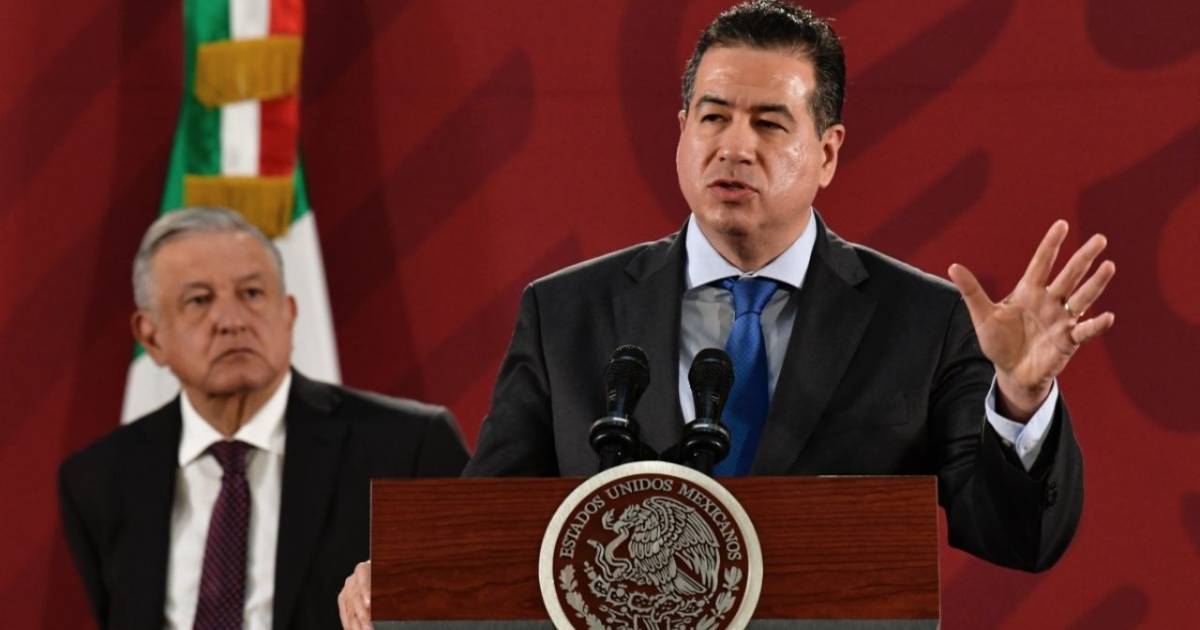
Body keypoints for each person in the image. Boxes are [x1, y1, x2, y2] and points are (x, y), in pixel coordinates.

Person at [338, 1, 1115, 625]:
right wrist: (408, 576)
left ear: (828, 152)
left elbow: (1019, 538)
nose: (733, 147)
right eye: (712, 117)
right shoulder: (567, 312)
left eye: (769, 123)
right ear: (681, 132)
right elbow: (490, 528)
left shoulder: (924, 320)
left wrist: (1020, 399)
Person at [59, 207, 469, 630]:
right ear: (151, 336)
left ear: (289, 314)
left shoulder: (409, 447)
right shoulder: (98, 479)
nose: (232, 321)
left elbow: (475, 610)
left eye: (252, 293)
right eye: (199, 300)